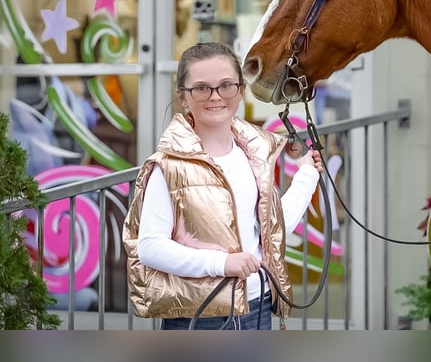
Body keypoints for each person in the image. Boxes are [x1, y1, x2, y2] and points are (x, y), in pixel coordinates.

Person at [123, 42, 323, 330]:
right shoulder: (169, 166)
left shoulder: (254, 155)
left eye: (226, 85)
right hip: (201, 316)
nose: (215, 96)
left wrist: (306, 176)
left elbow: (272, 230)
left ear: (241, 90)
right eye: (201, 88)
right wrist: (222, 264)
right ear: (183, 96)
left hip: (258, 307)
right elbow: (150, 247)